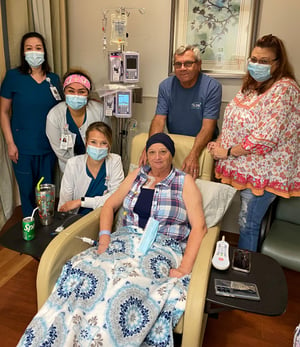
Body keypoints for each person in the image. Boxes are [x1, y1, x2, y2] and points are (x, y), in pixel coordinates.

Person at [17, 133, 207, 347]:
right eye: (152, 152)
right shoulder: (137, 175)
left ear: (171, 154)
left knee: (124, 287)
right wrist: (105, 239)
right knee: (90, 275)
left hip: (160, 248)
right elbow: (109, 205)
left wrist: (184, 268)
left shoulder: (183, 181)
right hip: (125, 241)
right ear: (146, 155)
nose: (158, 157)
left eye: (163, 151)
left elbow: (199, 227)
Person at [208, 34, 300, 252]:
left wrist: (227, 151)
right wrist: (219, 142)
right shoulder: (251, 85)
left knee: (248, 226)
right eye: (254, 59)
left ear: (278, 63)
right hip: (244, 168)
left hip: (263, 173)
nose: (257, 65)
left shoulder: (285, 89)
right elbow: (231, 118)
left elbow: (265, 138)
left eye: (264, 61)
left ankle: (246, 275)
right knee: (245, 223)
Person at [0, 32, 63, 217]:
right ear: (23, 53)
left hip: (48, 147)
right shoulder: (13, 77)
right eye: (29, 48)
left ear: (44, 52)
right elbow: (3, 112)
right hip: (22, 148)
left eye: (38, 48)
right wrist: (10, 143)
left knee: (46, 193)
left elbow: (62, 110)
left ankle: (46, 226)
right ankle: (29, 225)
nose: (34, 52)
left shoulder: (54, 79)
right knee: (26, 192)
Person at [140, 44, 222, 179]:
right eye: (178, 64)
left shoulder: (212, 87)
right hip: (175, 142)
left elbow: (208, 126)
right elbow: (159, 119)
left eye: (188, 63)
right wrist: (151, 145)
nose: (182, 68)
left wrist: (194, 154)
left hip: (202, 146)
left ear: (199, 64)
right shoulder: (166, 86)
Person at [46, 68, 110, 172]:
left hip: (98, 167)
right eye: (71, 91)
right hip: (70, 169)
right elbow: (60, 152)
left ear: (88, 94)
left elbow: (106, 141)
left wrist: (93, 166)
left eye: (81, 92)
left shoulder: (99, 111)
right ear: (64, 91)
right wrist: (80, 168)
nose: (76, 95)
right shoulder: (54, 116)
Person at [58, 121, 124, 214]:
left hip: (104, 215)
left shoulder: (115, 161)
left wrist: (81, 202)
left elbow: (116, 197)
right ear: (86, 143)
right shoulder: (73, 164)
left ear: (109, 146)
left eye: (103, 143)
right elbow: (65, 204)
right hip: (77, 219)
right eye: (93, 142)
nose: (98, 147)